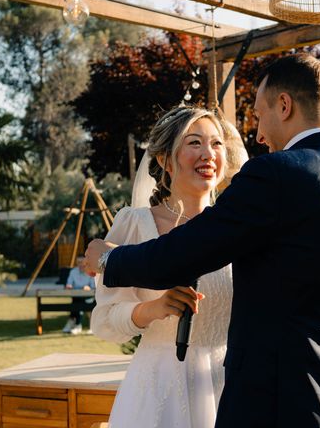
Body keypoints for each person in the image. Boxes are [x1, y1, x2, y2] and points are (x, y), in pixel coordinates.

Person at [85, 54, 320, 428]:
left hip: (273, 407)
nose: (260, 135)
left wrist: (109, 260)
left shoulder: (274, 174)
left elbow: (186, 252)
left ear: (284, 106)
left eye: (261, 115)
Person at [90, 106, 246, 428]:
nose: (208, 154)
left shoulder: (237, 227)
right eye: (194, 143)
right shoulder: (134, 224)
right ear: (163, 160)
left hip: (227, 386)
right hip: (159, 386)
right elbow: (104, 320)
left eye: (216, 144)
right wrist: (153, 308)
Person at [62, 256, 95, 335]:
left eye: (81, 262)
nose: (80, 264)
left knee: (77, 303)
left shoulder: (91, 271)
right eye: (78, 262)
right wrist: (69, 286)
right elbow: (69, 284)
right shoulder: (73, 271)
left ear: (86, 262)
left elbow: (94, 287)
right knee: (77, 301)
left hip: (88, 296)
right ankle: (76, 325)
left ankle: (75, 324)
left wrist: (88, 287)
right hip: (76, 296)